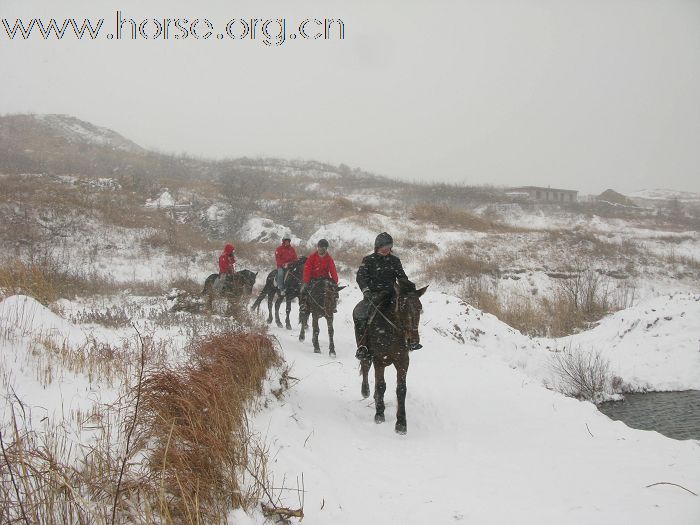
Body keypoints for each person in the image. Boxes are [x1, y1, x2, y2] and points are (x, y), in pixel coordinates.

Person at [354, 232, 417, 359]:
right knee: (360, 314)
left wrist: (409, 287)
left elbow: (402, 277)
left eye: (388, 247)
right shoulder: (368, 260)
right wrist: (366, 290)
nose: (385, 249)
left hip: (392, 296)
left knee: (409, 312)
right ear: (377, 246)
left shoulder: (395, 261)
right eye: (383, 247)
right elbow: (360, 277)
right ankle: (363, 346)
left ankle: (410, 340)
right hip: (373, 297)